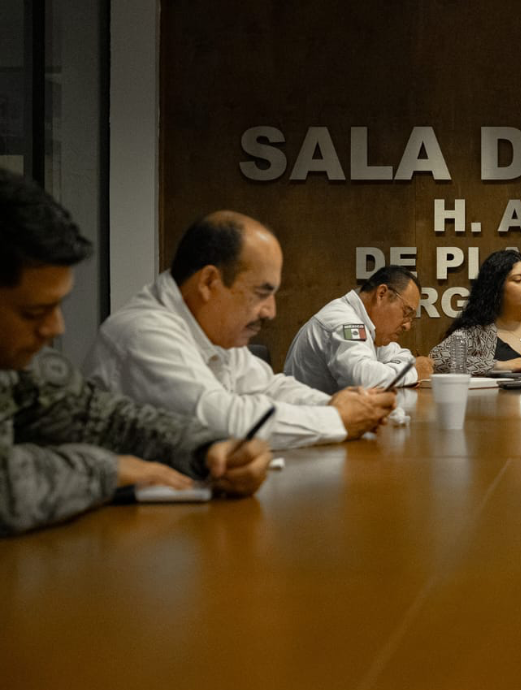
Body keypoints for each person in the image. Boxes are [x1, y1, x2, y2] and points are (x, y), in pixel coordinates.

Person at [1, 172, 270, 536]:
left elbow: (98, 415)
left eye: (57, 306)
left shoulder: (19, 365)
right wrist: (110, 471)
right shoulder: (143, 328)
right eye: (32, 313)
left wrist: (205, 448)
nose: (55, 329)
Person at [84, 211, 394, 450]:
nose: (270, 311)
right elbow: (221, 420)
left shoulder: (210, 329)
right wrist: (337, 419)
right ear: (209, 283)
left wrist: (345, 406)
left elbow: (269, 387)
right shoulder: (143, 333)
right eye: (261, 293)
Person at [283, 265, 433, 394]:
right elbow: (362, 380)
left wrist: (394, 370)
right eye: (406, 312)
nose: (407, 326)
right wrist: (411, 372)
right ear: (382, 294)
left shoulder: (368, 326)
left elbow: (402, 355)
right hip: (310, 424)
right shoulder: (343, 322)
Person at [430, 249, 521, 375]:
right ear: (496, 288)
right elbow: (436, 360)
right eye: (518, 280)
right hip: (496, 406)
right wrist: (500, 366)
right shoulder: (477, 332)